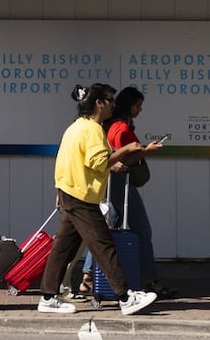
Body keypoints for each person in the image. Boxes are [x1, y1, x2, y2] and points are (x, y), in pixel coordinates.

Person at [36, 83, 159, 316]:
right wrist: (128, 149)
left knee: (62, 249)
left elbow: (64, 160)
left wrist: (59, 189)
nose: (114, 104)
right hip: (82, 196)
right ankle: (126, 297)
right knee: (104, 246)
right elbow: (100, 163)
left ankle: (48, 297)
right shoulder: (93, 129)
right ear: (98, 103)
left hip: (69, 192)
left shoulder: (75, 127)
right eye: (110, 100)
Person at [76, 86, 171, 298]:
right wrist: (146, 151)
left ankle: (87, 278)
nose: (140, 110)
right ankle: (150, 280)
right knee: (143, 231)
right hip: (121, 185)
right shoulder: (120, 128)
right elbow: (122, 158)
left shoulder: (104, 126)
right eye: (138, 105)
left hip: (107, 184)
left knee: (104, 231)